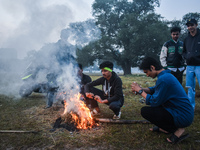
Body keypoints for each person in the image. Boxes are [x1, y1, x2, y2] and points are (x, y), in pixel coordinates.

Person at [131, 57, 194, 144]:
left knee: (145, 111)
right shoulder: (165, 76)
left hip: (182, 115)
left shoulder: (164, 79)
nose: (147, 75)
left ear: (152, 67)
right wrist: (141, 89)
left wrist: (140, 91)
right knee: (155, 107)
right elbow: (154, 89)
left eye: (147, 72)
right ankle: (165, 128)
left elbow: (154, 101)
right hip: (181, 112)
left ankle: (177, 130)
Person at [183, 18, 200, 109]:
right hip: (189, 66)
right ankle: (190, 107)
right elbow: (184, 51)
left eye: (192, 25)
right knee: (190, 87)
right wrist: (187, 57)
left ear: (196, 25)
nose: (190, 27)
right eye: (188, 26)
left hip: (199, 66)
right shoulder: (186, 39)